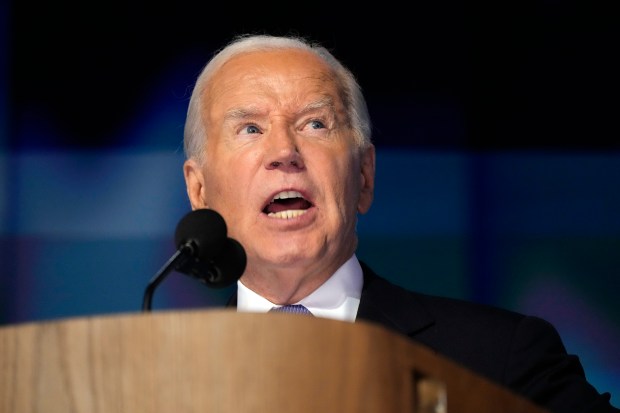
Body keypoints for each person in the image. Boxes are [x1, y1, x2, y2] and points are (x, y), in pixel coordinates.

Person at [181, 33, 618, 413]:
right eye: (250, 129)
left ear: (365, 177)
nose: (284, 151)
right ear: (199, 191)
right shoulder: (160, 377)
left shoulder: (497, 359)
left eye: (315, 124)